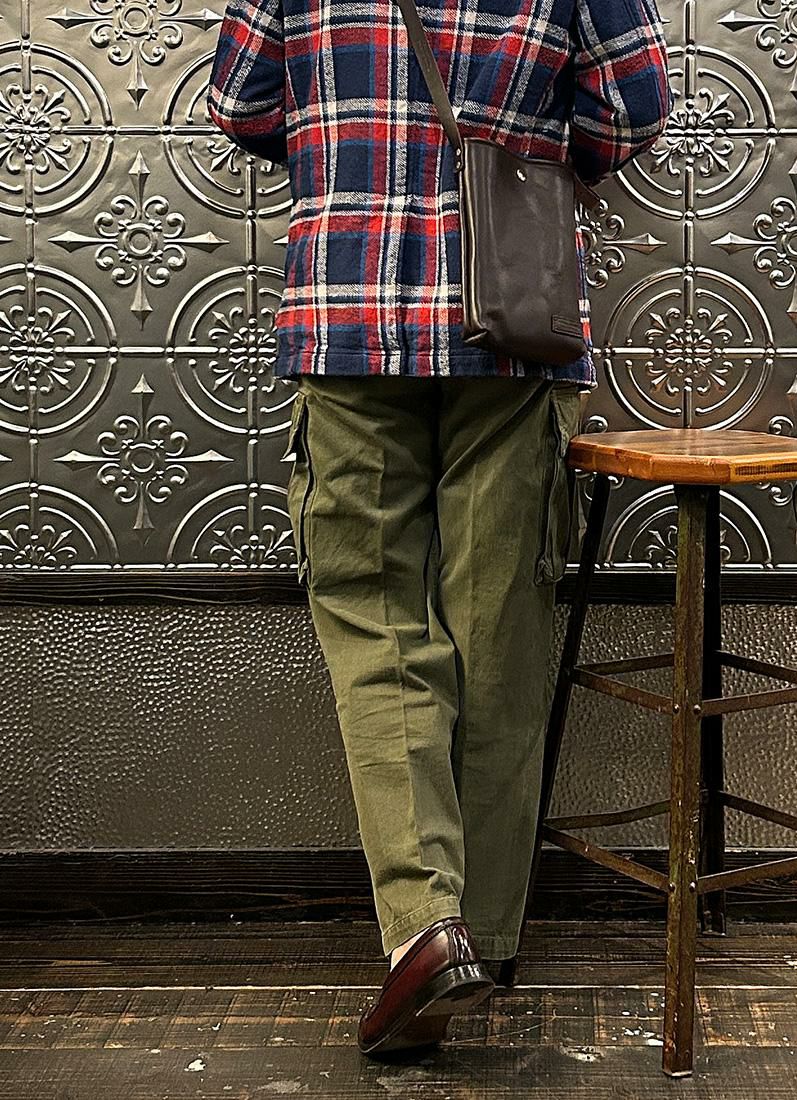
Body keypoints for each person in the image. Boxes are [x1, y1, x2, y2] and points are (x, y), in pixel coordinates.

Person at [208, 0, 671, 1057]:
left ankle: (426, 929)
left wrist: (344, 142)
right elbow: (632, 109)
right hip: (513, 323)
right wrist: (520, 138)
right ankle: (483, 940)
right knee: (498, 632)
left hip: (347, 314)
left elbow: (240, 101)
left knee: (375, 626)